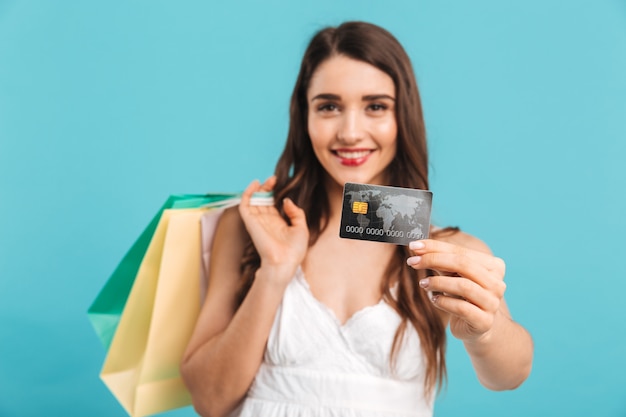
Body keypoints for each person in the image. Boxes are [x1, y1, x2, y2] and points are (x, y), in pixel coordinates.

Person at [181, 21, 533, 417]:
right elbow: (209, 401)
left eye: (375, 106)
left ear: (404, 116)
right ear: (304, 115)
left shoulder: (445, 253)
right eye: (329, 106)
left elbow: (510, 375)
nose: (350, 132)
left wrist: (485, 331)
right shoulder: (252, 229)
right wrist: (275, 272)